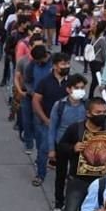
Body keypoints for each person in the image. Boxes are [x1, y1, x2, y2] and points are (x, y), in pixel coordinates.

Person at [46, 74, 89, 211]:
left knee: (79, 177)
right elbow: (52, 128)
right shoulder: (59, 106)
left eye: (82, 88)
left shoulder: (87, 105)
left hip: (81, 145)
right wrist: (51, 149)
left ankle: (79, 206)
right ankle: (59, 202)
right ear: (69, 89)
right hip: (63, 145)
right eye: (77, 88)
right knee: (60, 175)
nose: (80, 91)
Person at [31, 52, 71, 187]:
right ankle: (40, 174)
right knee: (43, 150)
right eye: (63, 64)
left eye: (68, 63)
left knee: (66, 150)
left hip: (66, 124)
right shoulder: (45, 81)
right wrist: (45, 119)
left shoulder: (71, 82)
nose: (66, 66)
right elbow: (36, 101)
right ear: (55, 66)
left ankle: (65, 174)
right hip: (47, 122)